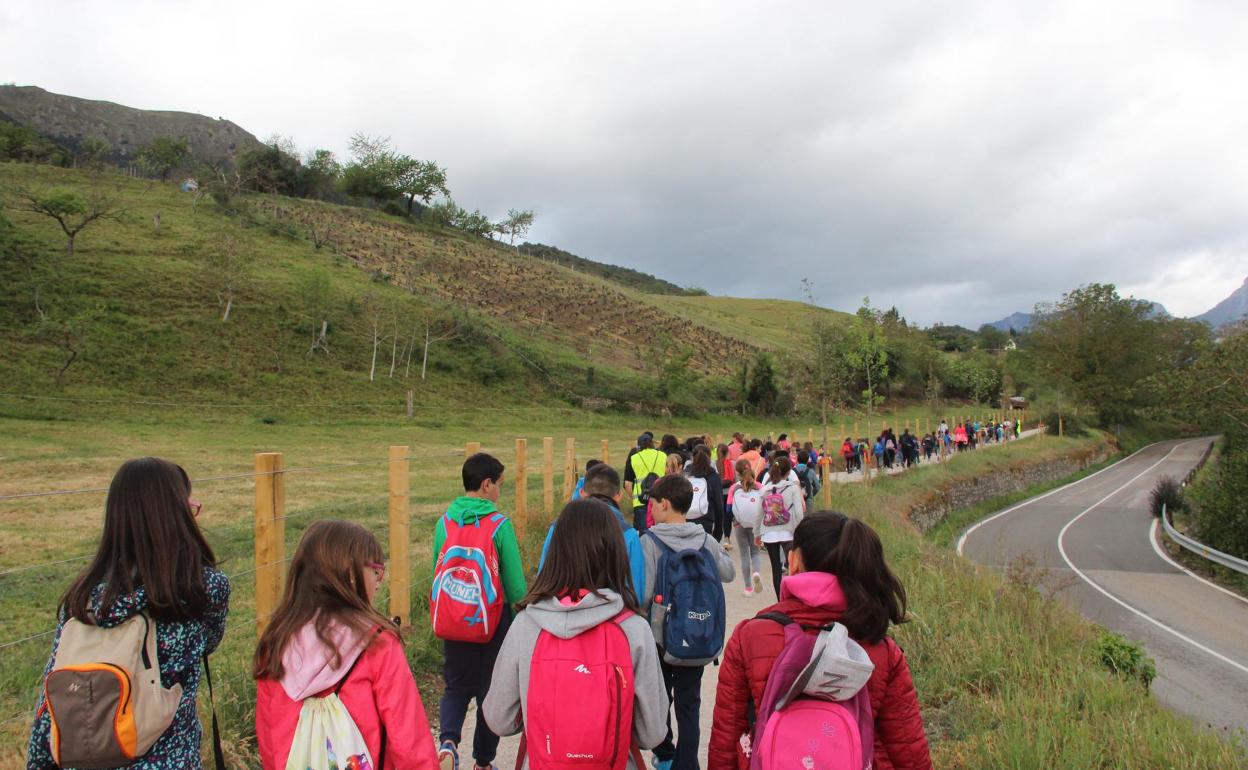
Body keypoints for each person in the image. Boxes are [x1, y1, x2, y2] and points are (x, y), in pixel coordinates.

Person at [27, 458, 230, 770]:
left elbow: (52, 698)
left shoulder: (83, 599)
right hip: (170, 759)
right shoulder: (201, 590)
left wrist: (40, 763)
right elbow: (210, 642)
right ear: (176, 514)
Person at [708, 511, 931, 770]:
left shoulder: (750, 637)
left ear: (794, 562)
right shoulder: (880, 647)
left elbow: (725, 743)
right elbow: (909, 753)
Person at [483, 500, 669, 770]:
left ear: (556, 552)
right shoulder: (634, 629)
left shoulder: (527, 625)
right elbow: (652, 733)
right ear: (614, 553)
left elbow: (499, 718)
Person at [255, 520, 439, 770]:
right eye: (376, 570)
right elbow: (408, 740)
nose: (379, 581)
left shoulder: (276, 643)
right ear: (351, 574)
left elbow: (269, 738)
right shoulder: (378, 643)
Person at [432, 453, 526, 770]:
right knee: (490, 692)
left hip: (453, 617)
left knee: (456, 686)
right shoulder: (500, 525)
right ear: (487, 485)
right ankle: (483, 762)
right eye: (500, 484)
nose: (500, 491)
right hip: (490, 621)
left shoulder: (444, 522)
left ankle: (447, 743)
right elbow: (515, 587)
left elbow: (438, 569)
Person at [640, 476, 734, 770]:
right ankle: (688, 763)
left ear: (664, 504)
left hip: (661, 638)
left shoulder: (650, 541)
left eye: (653, 504)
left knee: (661, 698)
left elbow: (643, 594)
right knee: (689, 703)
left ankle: (665, 755)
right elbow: (728, 573)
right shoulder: (704, 539)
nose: (650, 510)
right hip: (698, 635)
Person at [539, 463, 646, 600]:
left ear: (582, 492)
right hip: (613, 616)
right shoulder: (629, 534)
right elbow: (636, 594)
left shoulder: (558, 528)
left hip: (563, 614)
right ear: (618, 495)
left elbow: (545, 577)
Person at [756, 454, 805, 599]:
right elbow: (798, 512)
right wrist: (800, 530)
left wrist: (756, 533)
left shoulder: (765, 490)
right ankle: (793, 596)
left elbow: (759, 514)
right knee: (792, 567)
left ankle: (780, 599)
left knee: (775, 569)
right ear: (789, 472)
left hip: (769, 533)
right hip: (788, 531)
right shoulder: (792, 488)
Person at [728, 459, 765, 596]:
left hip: (739, 525)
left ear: (738, 473)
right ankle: (756, 572)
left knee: (744, 554)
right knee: (755, 552)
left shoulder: (734, 488)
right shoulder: (760, 487)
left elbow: (728, 508)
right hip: (755, 525)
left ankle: (748, 588)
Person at [625, 434, 668, 532]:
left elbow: (627, 484)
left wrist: (633, 499)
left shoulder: (634, 458)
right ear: (652, 443)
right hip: (661, 500)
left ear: (639, 446)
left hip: (640, 501)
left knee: (644, 535)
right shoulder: (663, 455)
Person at [686, 445, 726, 540]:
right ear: (709, 458)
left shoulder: (686, 474)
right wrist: (718, 531)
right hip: (705, 521)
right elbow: (719, 506)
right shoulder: (714, 477)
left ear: (693, 457)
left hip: (685, 520)